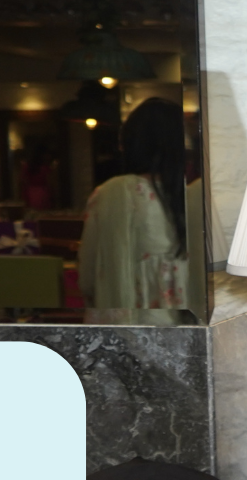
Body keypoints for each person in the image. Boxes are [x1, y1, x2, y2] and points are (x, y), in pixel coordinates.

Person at [79, 97, 202, 322]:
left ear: (130, 142)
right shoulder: (193, 196)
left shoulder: (113, 194)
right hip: (183, 325)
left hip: (132, 323)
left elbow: (88, 275)